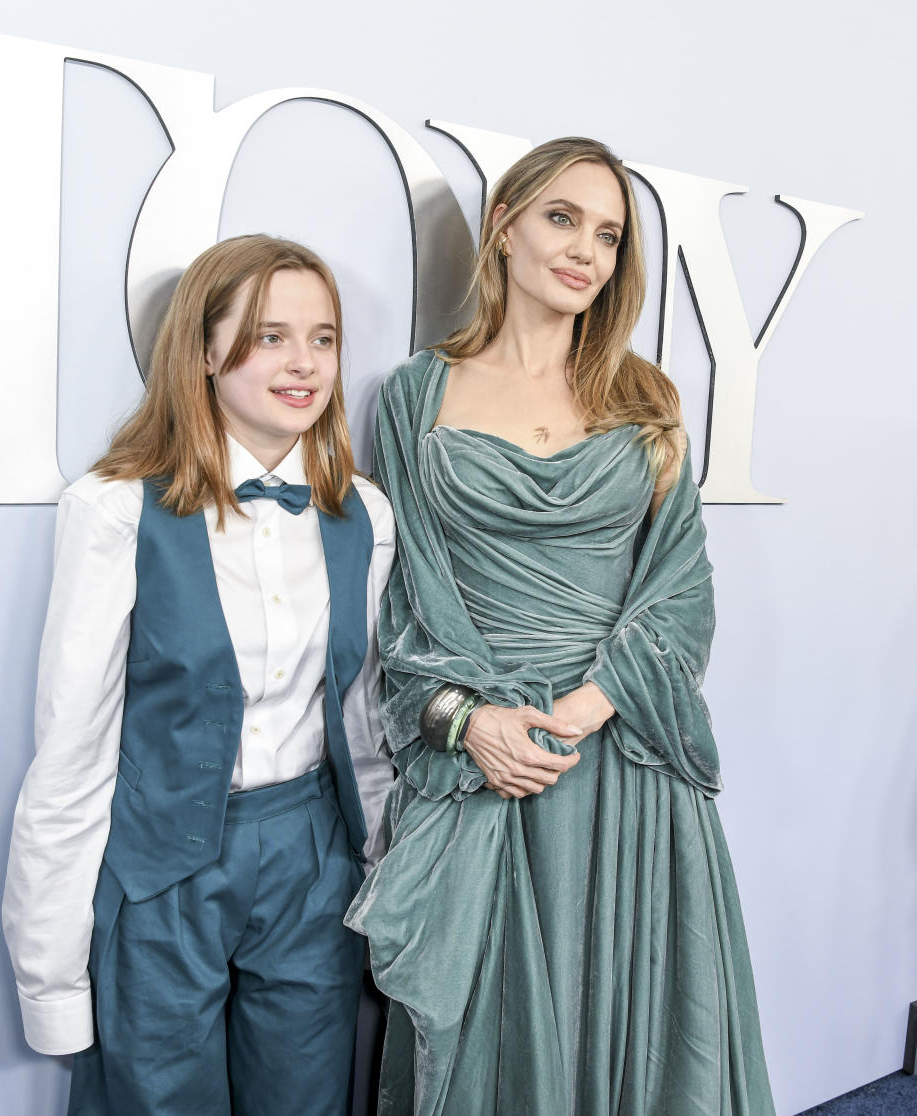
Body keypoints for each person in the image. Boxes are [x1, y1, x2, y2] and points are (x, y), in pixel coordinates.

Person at [346, 138, 776, 1115]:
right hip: (492, 772)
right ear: (503, 227)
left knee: (640, 1031)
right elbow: (410, 612)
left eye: (611, 235)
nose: (587, 248)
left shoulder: (647, 400)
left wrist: (581, 711)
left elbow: (680, 595)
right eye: (562, 217)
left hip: (624, 765)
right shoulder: (416, 397)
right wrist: (476, 725)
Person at [2, 235, 395, 1115]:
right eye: (269, 336)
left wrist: (382, 873)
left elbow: (365, 721)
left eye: (323, 338)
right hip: (161, 866)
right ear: (207, 352)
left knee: (306, 1098)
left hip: (311, 861)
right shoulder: (112, 508)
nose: (304, 364)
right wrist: (50, 980)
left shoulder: (363, 513)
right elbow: (72, 752)